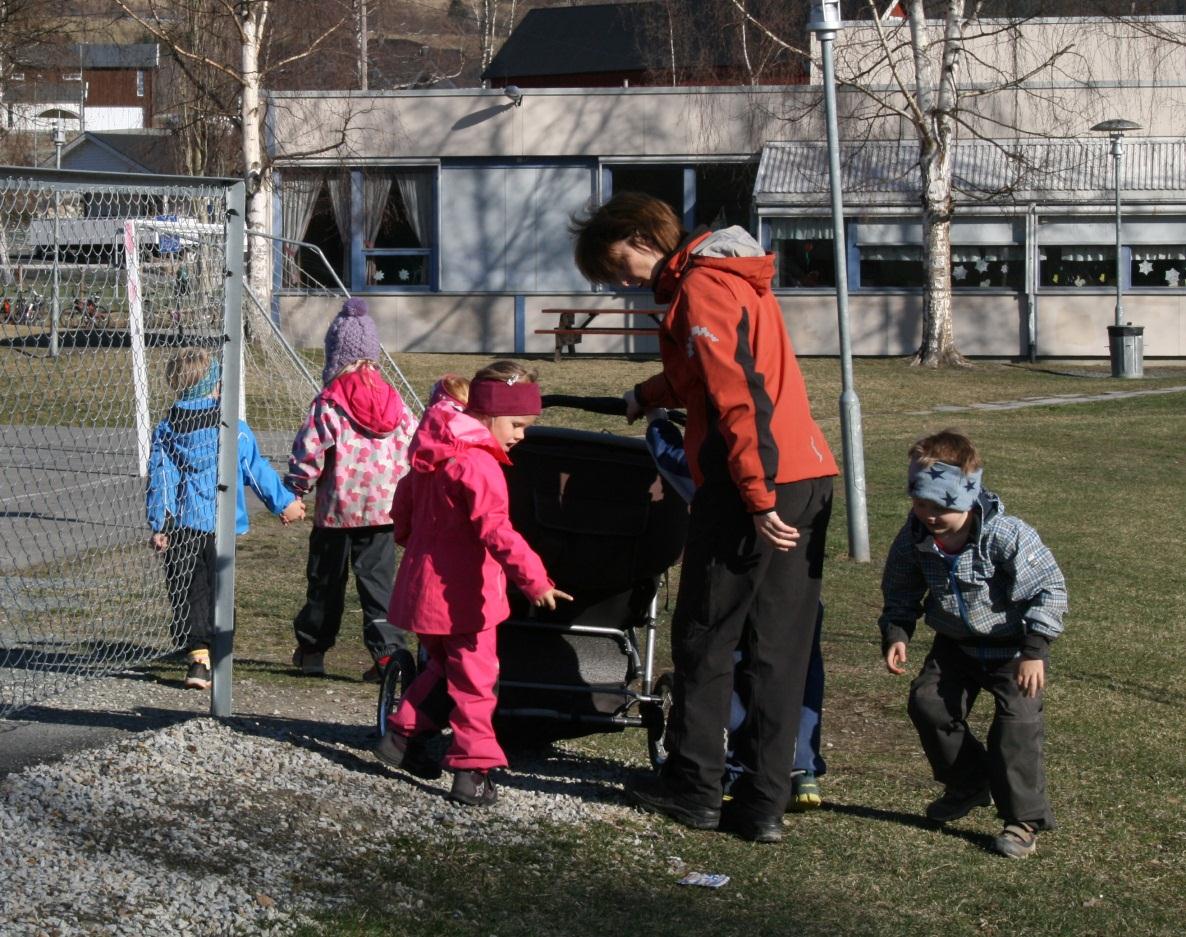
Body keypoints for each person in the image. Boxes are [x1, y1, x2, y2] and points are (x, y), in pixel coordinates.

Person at [571, 192, 838, 843]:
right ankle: (762, 803)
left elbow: (736, 396)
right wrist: (647, 394)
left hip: (752, 481)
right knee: (778, 646)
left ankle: (694, 786)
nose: (620, 281)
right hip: (806, 471)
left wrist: (755, 492)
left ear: (639, 233)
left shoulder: (701, 287)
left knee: (704, 635)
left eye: (615, 264)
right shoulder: (732, 274)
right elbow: (708, 372)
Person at [373, 361, 572, 807]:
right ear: (487, 414)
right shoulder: (479, 465)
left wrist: (419, 540)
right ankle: (472, 773)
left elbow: (401, 513)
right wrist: (534, 579)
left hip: (423, 589)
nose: (521, 434)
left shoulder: (429, 453)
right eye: (517, 424)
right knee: (477, 685)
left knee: (443, 670)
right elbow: (496, 530)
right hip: (463, 596)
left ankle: (401, 738)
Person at [878, 429, 1067, 859]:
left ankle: (1022, 820)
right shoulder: (914, 538)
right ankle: (969, 782)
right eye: (919, 502)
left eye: (939, 506)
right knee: (928, 704)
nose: (927, 514)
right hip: (955, 646)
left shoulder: (1006, 535)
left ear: (965, 499)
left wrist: (1035, 650)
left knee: (1015, 729)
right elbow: (901, 587)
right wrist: (897, 631)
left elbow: (1049, 589)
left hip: (1014, 651)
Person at [644, 409, 827, 812]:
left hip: (734, 564)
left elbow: (672, 457)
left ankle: (722, 768)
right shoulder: (800, 447)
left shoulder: (718, 460)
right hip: (798, 560)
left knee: (716, 654)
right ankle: (792, 772)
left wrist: (656, 420)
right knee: (790, 665)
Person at [146, 349, 304, 690]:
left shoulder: (167, 430)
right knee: (219, 591)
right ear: (214, 386)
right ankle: (218, 653)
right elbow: (255, 470)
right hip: (221, 525)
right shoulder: (232, 428)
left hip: (182, 526)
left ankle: (198, 658)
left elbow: (161, 480)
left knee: (188, 591)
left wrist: (160, 525)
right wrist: (284, 503)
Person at [285, 297, 416, 681]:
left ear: (335, 356)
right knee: (379, 587)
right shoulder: (397, 402)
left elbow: (310, 449)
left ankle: (312, 652)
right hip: (383, 512)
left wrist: (297, 487)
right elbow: (414, 446)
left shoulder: (329, 402)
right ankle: (388, 658)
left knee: (325, 582)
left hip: (335, 512)